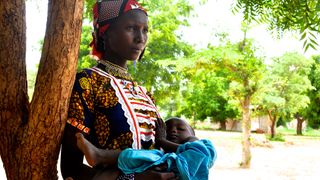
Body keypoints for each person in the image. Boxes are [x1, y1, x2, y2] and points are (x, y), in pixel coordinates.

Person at [60, 0, 178, 179]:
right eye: (131, 28)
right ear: (105, 32)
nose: (141, 38)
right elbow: (71, 168)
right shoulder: (87, 82)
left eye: (145, 30)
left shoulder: (143, 93)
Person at [75, 117, 217, 180]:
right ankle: (98, 156)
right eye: (167, 129)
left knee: (143, 156)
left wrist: (162, 140)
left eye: (180, 129)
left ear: (192, 133)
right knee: (126, 162)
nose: (173, 131)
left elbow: (196, 152)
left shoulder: (193, 141)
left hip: (182, 168)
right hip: (167, 166)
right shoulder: (161, 157)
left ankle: (100, 155)